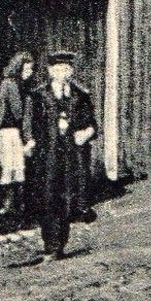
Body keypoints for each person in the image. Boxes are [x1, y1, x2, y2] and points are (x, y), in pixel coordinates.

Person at [28, 51, 98, 260]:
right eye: (58, 69)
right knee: (48, 197)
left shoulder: (80, 95)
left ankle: (59, 244)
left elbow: (92, 124)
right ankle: (50, 244)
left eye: (66, 69)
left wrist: (86, 133)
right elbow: (28, 124)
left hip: (71, 157)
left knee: (67, 197)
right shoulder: (39, 95)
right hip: (47, 156)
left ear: (71, 71)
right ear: (50, 71)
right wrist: (29, 141)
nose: (62, 74)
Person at [0, 52, 37, 226]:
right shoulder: (10, 85)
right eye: (26, 69)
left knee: (15, 171)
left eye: (31, 69)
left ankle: (15, 209)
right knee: (9, 169)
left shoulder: (22, 87)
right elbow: (18, 113)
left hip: (12, 133)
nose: (29, 73)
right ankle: (8, 207)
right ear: (17, 69)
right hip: (8, 133)